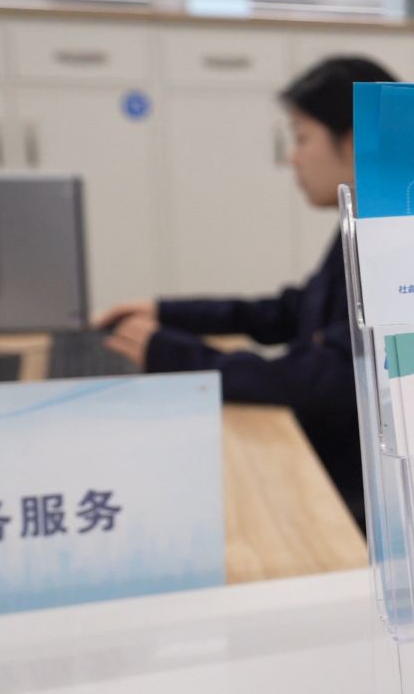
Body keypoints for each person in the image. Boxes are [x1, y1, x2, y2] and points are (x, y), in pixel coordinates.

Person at [96, 57, 398, 532]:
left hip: (347, 499)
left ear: (354, 141)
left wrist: (176, 355)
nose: (292, 157)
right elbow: (293, 311)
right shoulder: (364, 222)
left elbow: (320, 382)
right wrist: (169, 314)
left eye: (302, 138)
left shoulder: (392, 243)